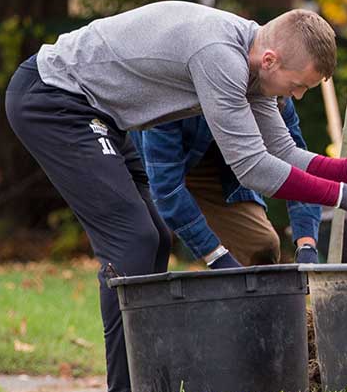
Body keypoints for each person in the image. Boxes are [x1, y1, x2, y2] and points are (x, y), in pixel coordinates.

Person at [5, 1, 347, 392]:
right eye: (298, 85)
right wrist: (344, 198)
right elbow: (254, 168)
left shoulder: (255, 64)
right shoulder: (220, 57)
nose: (298, 96)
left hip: (100, 112)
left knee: (155, 239)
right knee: (133, 242)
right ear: (271, 60)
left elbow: (283, 150)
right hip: (53, 99)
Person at [130, 97, 323, 268]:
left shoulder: (280, 93)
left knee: (262, 246)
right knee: (147, 244)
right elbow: (166, 188)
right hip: (151, 161)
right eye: (299, 87)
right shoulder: (173, 96)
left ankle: (252, 306)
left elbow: (298, 170)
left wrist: (307, 246)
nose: (298, 94)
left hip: (216, 166)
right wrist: (217, 257)